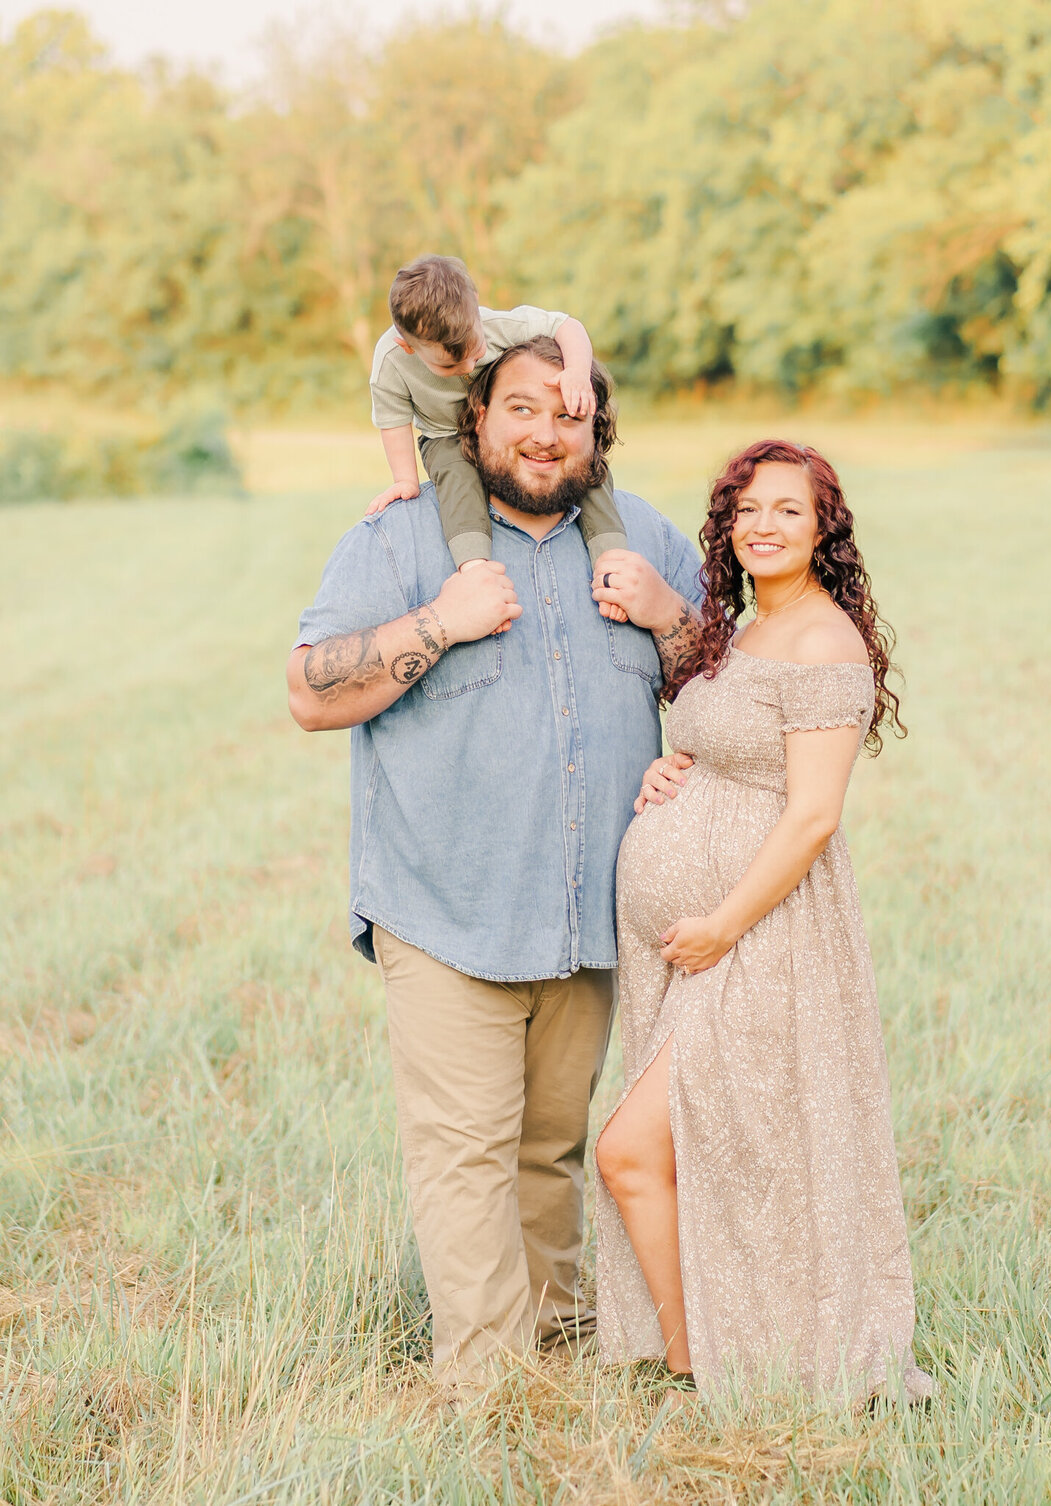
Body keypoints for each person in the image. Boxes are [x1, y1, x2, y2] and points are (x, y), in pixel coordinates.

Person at [286, 336, 703, 1396]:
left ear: (597, 428)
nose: (545, 431)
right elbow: (308, 692)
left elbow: (728, 700)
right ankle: (489, 1387)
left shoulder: (642, 538)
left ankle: (559, 1338)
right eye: (522, 407)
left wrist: (671, 619)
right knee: (466, 1154)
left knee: (552, 1145)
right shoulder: (401, 541)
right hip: (446, 905)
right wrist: (441, 621)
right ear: (475, 420)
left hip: (589, 916)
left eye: (568, 412)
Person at [594, 439, 933, 1404]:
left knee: (637, 1147)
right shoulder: (742, 629)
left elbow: (814, 815)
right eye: (745, 508)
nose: (762, 525)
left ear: (824, 527)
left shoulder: (826, 641)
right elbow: (720, 737)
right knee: (719, 1139)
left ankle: (700, 1355)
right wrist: (674, 770)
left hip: (763, 932)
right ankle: (710, 1350)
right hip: (705, 934)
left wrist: (721, 925)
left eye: (787, 508)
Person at [365, 253, 628, 619]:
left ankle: (614, 562)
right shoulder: (391, 361)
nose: (469, 368)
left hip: (499, 428)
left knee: (582, 468)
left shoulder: (494, 324)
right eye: (450, 365)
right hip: (445, 433)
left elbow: (567, 326)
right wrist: (405, 479)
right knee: (458, 482)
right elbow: (393, 418)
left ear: (477, 313)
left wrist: (578, 372)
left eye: (475, 352)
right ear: (408, 346)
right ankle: (476, 573)